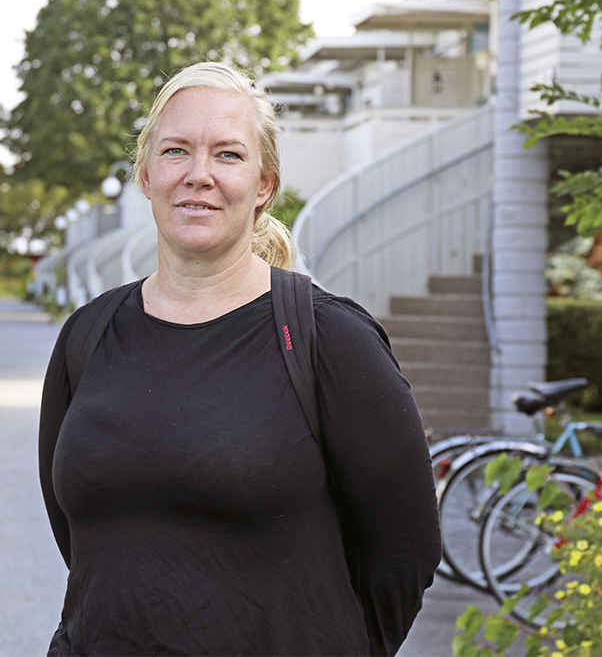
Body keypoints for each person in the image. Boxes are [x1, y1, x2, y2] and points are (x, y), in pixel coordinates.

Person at [38, 61, 441, 656]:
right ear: (146, 176)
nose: (198, 175)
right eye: (176, 151)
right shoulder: (88, 335)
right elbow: (82, 537)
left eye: (227, 155)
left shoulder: (328, 339)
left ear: (264, 185)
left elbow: (404, 546)